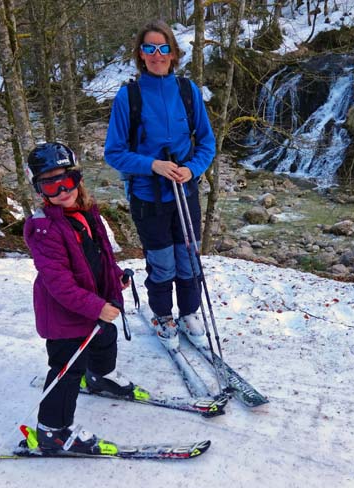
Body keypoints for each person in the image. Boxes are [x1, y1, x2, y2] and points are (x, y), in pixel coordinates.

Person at [104, 20, 216, 351]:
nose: (157, 54)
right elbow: (114, 153)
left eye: (163, 47)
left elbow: (206, 143)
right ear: (141, 54)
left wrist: (191, 168)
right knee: (163, 260)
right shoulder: (129, 96)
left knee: (188, 258)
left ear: (173, 52)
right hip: (147, 197)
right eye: (149, 48)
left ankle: (190, 312)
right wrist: (152, 164)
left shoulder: (187, 91)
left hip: (186, 192)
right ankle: (164, 316)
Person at [24, 142, 132, 454]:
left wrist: (115, 277)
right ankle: (52, 431)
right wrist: (97, 307)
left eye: (67, 181)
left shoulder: (86, 212)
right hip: (64, 315)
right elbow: (59, 284)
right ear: (40, 189)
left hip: (91, 304)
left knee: (105, 336)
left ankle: (100, 376)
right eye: (50, 185)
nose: (61, 190)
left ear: (78, 179)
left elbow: (100, 255)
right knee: (67, 367)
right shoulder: (44, 228)